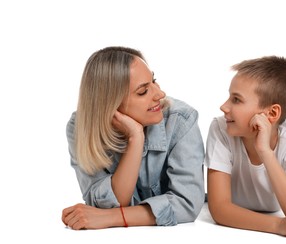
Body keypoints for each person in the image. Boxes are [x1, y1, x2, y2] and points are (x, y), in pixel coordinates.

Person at [62, 46, 205, 230]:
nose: (160, 94)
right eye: (143, 91)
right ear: (110, 103)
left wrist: (112, 218)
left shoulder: (180, 120)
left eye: (154, 81)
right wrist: (135, 139)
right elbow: (105, 202)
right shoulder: (80, 128)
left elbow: (187, 204)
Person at [205, 56, 286, 239]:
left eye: (236, 99)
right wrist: (278, 225)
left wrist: (265, 152)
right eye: (229, 96)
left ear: (271, 113)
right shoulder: (221, 129)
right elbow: (219, 208)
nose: (224, 106)